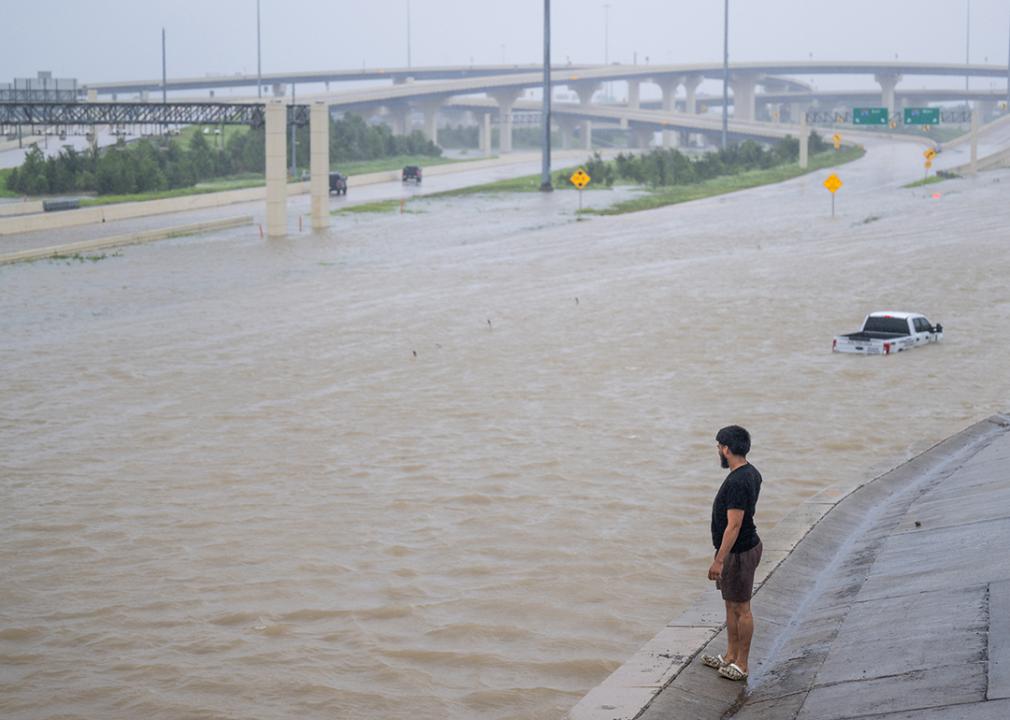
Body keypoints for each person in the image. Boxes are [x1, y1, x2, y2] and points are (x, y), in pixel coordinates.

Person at [701, 425, 763, 682]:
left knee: (742, 608)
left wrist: (719, 560)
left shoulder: (738, 481)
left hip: (739, 552)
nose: (718, 451)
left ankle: (742, 664)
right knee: (731, 604)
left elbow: (734, 525)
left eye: (719, 446)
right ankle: (729, 656)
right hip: (739, 550)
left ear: (726, 449)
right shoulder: (751, 472)